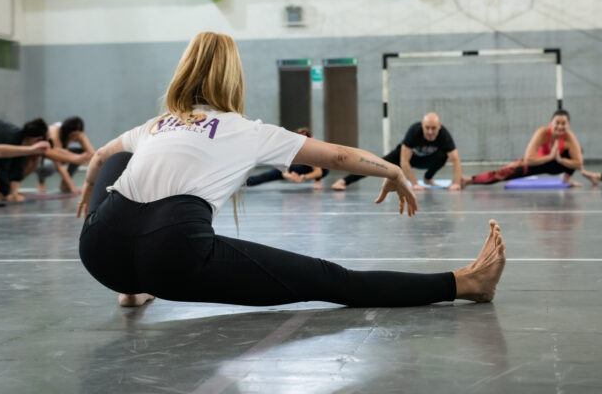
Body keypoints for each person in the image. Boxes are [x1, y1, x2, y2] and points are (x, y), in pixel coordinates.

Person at [77, 32, 505, 309]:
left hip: (100, 252)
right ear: (234, 80)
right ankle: (467, 283)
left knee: (118, 155)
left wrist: (89, 193)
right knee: (332, 280)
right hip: (173, 257)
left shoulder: (155, 125)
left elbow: (100, 159)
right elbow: (337, 156)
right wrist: (391, 170)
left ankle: (132, 291)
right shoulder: (244, 130)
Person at [331, 113, 464, 192]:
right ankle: (344, 181)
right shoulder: (414, 131)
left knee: (443, 156)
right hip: (403, 157)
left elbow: (455, 159)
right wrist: (415, 184)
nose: (430, 132)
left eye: (433, 128)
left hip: (426, 160)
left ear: (439, 127)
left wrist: (456, 183)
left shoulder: (444, 134)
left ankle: (428, 178)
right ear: (422, 126)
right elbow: (404, 161)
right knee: (374, 164)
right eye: (427, 128)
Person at [463, 109, 586, 188]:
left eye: (563, 123)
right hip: (537, 163)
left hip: (558, 165)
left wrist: (559, 159)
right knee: (503, 173)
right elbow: (528, 159)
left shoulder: (570, 137)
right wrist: (550, 157)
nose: (560, 126)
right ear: (551, 123)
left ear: (568, 124)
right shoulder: (542, 133)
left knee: (579, 150)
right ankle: (469, 180)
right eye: (557, 123)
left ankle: (567, 179)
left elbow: (579, 163)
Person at [0, 117, 51, 203]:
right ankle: (2, 194)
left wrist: (14, 193)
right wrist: (7, 194)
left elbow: (17, 170)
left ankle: (4, 193)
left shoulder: (22, 140)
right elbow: (1, 168)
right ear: (36, 139)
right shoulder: (10, 138)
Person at [246, 128, 329, 189]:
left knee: (323, 167)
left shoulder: (312, 150)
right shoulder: (291, 148)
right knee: (269, 174)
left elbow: (318, 171)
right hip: (298, 168)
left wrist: (303, 178)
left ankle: (317, 180)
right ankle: (246, 182)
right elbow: (285, 172)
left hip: (318, 169)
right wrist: (290, 177)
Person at [35, 117, 95, 194]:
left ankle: (64, 184)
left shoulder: (76, 133)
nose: (75, 138)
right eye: (74, 135)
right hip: (43, 156)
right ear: (68, 133)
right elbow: (59, 165)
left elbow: (92, 155)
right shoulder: (54, 135)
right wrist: (72, 187)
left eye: (77, 135)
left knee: (81, 153)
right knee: (49, 164)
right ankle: (41, 181)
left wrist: (82, 137)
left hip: (58, 152)